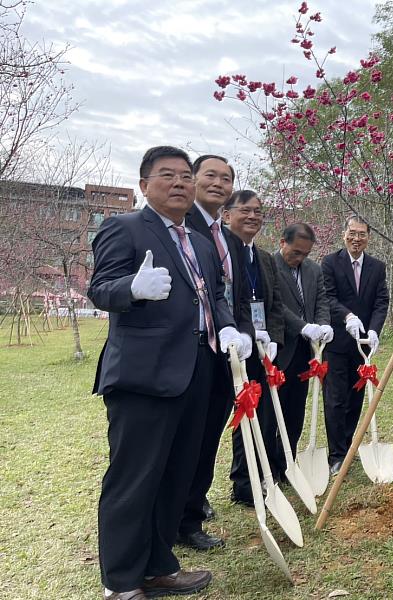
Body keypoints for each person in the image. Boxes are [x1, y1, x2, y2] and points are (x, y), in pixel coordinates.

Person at [88, 146, 250, 600]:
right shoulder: (123, 227)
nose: (179, 183)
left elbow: (214, 294)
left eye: (184, 176)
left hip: (197, 367)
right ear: (144, 185)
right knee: (135, 478)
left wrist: (231, 327)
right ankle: (120, 582)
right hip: (144, 374)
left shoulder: (198, 241)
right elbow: (100, 288)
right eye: (167, 176)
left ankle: (159, 566)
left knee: (176, 475)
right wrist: (132, 288)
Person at [177, 155, 256, 551]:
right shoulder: (180, 225)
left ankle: (190, 515)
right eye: (211, 175)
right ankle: (174, 516)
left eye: (227, 178)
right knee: (184, 441)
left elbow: (237, 298)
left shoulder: (229, 240)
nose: (219, 183)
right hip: (188, 354)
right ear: (193, 179)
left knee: (208, 439)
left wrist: (244, 334)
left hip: (225, 356)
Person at [221, 189, 285, 503]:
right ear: (226, 215)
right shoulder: (217, 251)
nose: (252, 216)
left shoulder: (264, 258)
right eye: (245, 210)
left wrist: (270, 337)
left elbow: (274, 305)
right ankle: (234, 485)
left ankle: (252, 479)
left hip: (260, 349)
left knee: (258, 413)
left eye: (258, 211)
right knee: (229, 417)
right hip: (228, 346)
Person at [321, 214, 389, 475]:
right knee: (336, 398)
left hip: (362, 345)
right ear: (344, 234)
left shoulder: (377, 267)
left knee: (355, 397)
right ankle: (336, 454)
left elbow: (381, 302)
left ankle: (348, 447)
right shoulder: (330, 262)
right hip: (338, 342)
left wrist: (373, 330)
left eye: (362, 234)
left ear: (368, 238)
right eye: (352, 232)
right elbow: (328, 296)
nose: (356, 238)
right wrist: (347, 316)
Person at [272, 222, 332, 475]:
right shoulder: (270, 266)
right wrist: (302, 326)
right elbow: (276, 305)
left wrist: (324, 325)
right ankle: (270, 467)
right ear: (282, 243)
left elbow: (321, 300)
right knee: (271, 413)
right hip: (278, 350)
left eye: (305, 254)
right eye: (295, 252)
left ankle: (287, 463)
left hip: (304, 353)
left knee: (295, 411)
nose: (299, 258)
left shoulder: (313, 270)